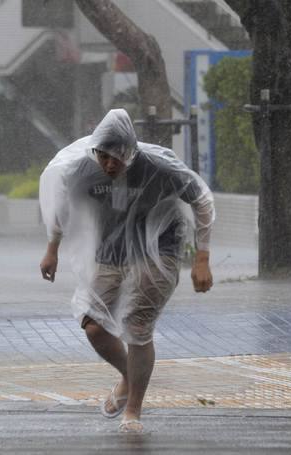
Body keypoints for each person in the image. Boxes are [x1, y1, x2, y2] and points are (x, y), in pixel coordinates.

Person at [38, 109, 215, 433]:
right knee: (93, 324)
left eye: (116, 158)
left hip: (159, 249)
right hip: (111, 250)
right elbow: (60, 204)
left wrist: (202, 257)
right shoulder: (82, 168)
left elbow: (201, 199)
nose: (108, 165)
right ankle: (128, 376)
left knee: (137, 326)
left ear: (131, 152)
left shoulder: (160, 167)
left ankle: (132, 410)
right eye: (102, 156)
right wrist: (52, 249)